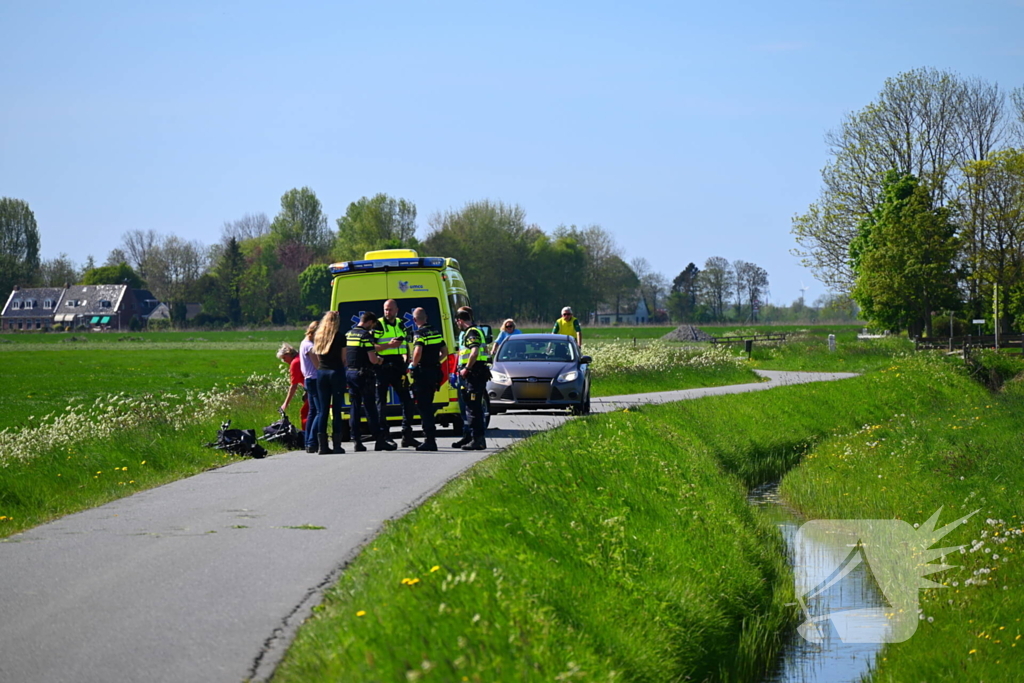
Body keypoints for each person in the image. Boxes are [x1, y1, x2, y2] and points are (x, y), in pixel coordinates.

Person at [344, 312, 397, 452]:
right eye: (373, 325)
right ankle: (379, 440)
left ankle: (356, 440)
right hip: (364, 375)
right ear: (370, 322)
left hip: (350, 373)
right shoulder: (365, 336)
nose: (372, 328)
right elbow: (372, 359)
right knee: (370, 408)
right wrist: (379, 360)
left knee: (354, 407)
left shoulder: (349, 334)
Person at [373, 299, 420, 448]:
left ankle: (407, 434)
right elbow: (371, 346)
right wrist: (389, 345)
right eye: (386, 309)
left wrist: (407, 358)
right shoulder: (378, 324)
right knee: (381, 402)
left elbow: (405, 343)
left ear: (396, 310)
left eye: (390, 309)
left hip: (399, 365)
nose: (388, 312)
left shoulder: (400, 323)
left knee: (407, 400)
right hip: (382, 365)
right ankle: (384, 436)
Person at [408, 307, 447, 451]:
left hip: (423, 373)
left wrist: (413, 365)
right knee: (428, 404)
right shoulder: (435, 332)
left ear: (414, 320)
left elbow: (418, 351)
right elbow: (445, 351)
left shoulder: (419, 333)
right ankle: (430, 438)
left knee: (424, 407)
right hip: (434, 372)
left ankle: (430, 440)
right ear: (426, 317)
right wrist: (436, 361)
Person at [453, 308, 491, 450]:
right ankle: (472, 438)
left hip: (474, 374)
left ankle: (478, 440)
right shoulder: (472, 332)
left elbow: (474, 352)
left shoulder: (472, 332)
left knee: (474, 408)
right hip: (473, 374)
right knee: (471, 407)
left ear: (460, 320)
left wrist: (467, 369)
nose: (457, 325)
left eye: (457, 322)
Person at [312, 311, 346, 455]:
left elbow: (317, 356)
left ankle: (322, 446)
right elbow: (343, 358)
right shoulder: (340, 337)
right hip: (336, 371)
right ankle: (337, 445)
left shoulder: (319, 336)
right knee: (336, 409)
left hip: (322, 373)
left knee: (323, 410)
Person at [277, 344, 306, 450]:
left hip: (314, 389)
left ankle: (307, 438)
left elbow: (293, 386)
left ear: (289, 354)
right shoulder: (300, 357)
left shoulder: (295, 363)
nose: (284, 361)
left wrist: (285, 403)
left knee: (305, 413)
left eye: (284, 358)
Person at [298, 321, 320, 453]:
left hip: (308, 379)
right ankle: (312, 441)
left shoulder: (303, 343)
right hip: (314, 379)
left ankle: (308, 441)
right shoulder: (310, 347)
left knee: (312, 411)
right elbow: (318, 365)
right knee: (320, 411)